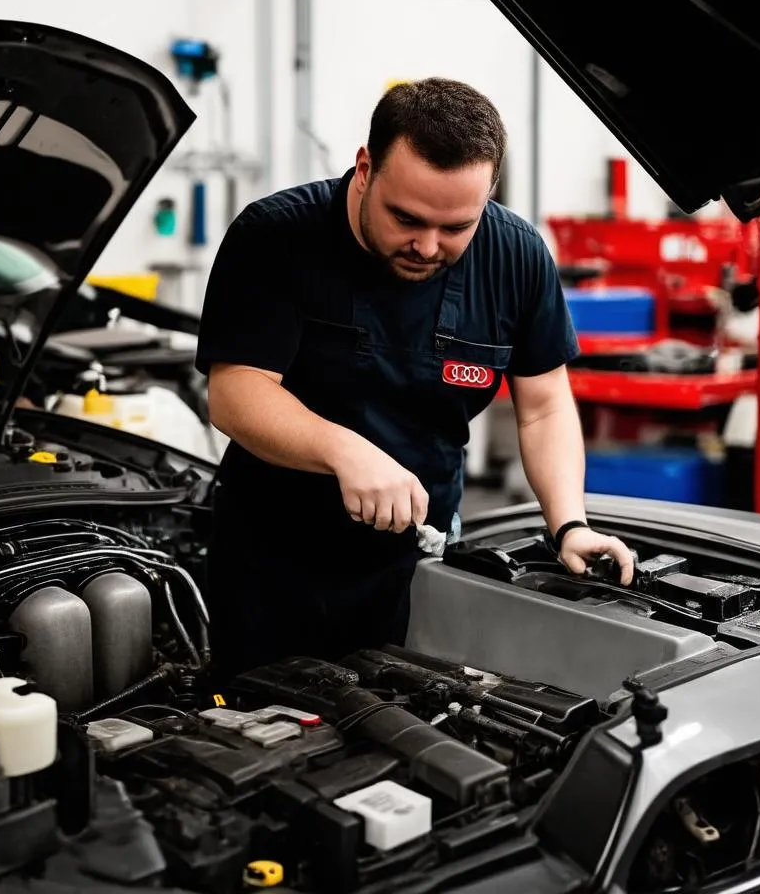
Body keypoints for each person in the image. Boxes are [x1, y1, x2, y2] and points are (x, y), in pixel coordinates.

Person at [195, 78, 634, 681]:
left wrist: (569, 522)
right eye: (405, 218)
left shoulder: (517, 255)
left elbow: (544, 405)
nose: (427, 246)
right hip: (275, 563)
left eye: (456, 227)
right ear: (365, 167)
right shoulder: (277, 237)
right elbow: (235, 391)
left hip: (420, 560)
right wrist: (344, 450)